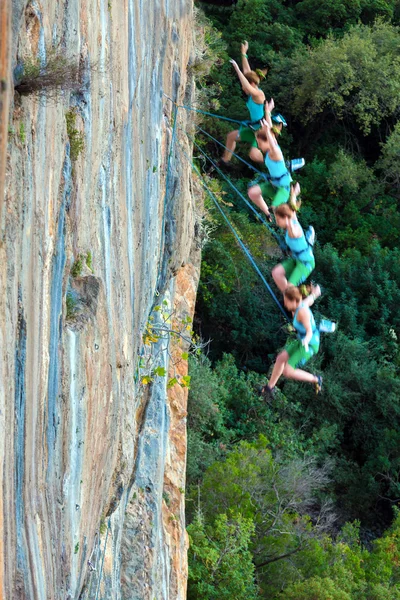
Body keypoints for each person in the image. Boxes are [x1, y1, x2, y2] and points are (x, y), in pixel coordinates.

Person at [262, 285, 323, 396]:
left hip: (309, 344)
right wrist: (315, 293)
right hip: (301, 340)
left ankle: (316, 379)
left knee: (288, 372)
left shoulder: (302, 311)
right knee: (280, 359)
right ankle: (269, 388)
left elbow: (309, 331)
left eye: (286, 301)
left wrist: (306, 340)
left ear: (294, 301)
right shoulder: (300, 304)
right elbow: (310, 299)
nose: (285, 304)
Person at [247, 102, 296, 219]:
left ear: (267, 141)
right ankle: (268, 214)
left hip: (283, 189)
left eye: (259, 143)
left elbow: (271, 139)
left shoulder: (275, 152)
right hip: (273, 185)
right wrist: (267, 111)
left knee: (275, 208)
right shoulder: (270, 148)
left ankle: (274, 213)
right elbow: (270, 131)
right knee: (252, 193)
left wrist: (267, 131)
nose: (258, 146)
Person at [221, 41, 266, 166]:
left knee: (253, 154)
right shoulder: (252, 89)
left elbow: (246, 83)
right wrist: (243, 54)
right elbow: (247, 72)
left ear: (251, 84)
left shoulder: (258, 95)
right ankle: (224, 162)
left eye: (244, 86)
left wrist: (236, 69)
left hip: (262, 131)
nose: (243, 88)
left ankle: (272, 161)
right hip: (253, 128)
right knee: (231, 137)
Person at [272, 202, 315, 292]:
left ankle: (294, 299)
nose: (277, 223)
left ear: (286, 218)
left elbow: (295, 233)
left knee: (289, 289)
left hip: (305, 263)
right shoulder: (292, 218)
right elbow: (293, 211)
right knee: (276, 273)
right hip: (297, 259)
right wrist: (293, 194)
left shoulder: (293, 229)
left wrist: (290, 225)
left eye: (278, 220)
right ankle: (287, 296)